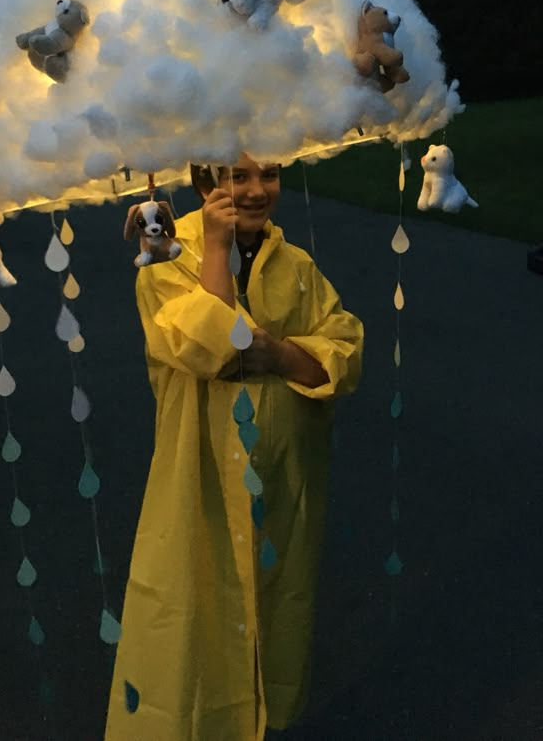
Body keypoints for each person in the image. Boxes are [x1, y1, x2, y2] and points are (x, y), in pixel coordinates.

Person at [105, 155, 363, 741]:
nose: (254, 191)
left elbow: (345, 349)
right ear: (203, 184)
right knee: (195, 611)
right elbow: (207, 348)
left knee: (273, 606)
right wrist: (216, 250)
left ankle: (260, 725)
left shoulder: (295, 264)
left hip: (279, 466)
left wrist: (280, 356)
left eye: (268, 175)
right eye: (235, 177)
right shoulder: (166, 258)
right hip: (199, 465)